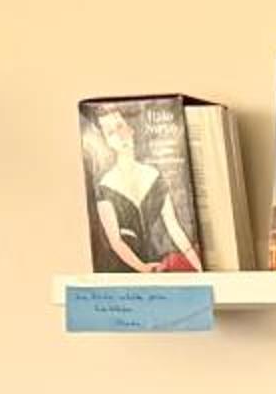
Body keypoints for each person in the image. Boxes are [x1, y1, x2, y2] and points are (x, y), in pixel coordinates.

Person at [85, 104, 203, 272]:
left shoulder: (154, 175)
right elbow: (116, 242)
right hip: (124, 270)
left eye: (120, 126)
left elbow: (174, 227)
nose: (119, 135)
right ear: (107, 142)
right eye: (111, 132)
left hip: (156, 266)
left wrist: (199, 267)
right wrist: (142, 268)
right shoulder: (104, 187)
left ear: (130, 129)